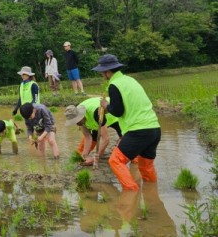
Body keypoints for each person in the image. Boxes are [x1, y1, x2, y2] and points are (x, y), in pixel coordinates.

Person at [92, 54, 161, 192]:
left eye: (101, 72)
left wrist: (106, 105)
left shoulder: (114, 84)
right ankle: (152, 197)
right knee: (145, 167)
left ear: (106, 71)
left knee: (115, 161)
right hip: (154, 129)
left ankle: (131, 193)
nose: (101, 75)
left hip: (138, 130)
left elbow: (117, 112)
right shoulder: (130, 80)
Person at [65, 97, 122, 165]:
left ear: (81, 116)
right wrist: (84, 155)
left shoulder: (96, 113)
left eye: (77, 121)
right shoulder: (76, 114)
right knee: (94, 136)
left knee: (123, 140)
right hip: (95, 120)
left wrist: (95, 159)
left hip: (115, 115)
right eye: (74, 122)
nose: (77, 123)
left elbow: (106, 139)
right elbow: (87, 137)